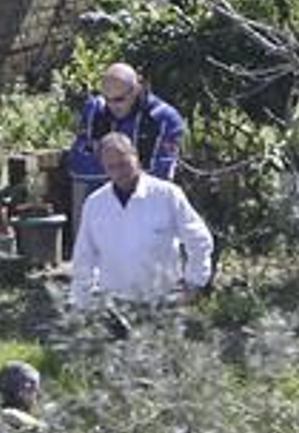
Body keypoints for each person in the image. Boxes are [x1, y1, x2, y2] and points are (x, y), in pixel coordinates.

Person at [69, 132, 214, 309]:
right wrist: (81, 301)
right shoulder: (95, 204)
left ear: (135, 157)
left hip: (165, 301)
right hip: (114, 305)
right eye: (111, 167)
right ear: (104, 168)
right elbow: (84, 256)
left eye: (123, 164)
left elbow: (198, 239)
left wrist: (194, 283)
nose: (119, 172)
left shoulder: (166, 195)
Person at [66, 62, 186, 231]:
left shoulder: (164, 118)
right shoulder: (95, 109)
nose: (112, 106)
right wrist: (128, 166)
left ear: (136, 89)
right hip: (101, 201)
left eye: (119, 99)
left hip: (145, 206)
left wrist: (102, 159)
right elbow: (77, 166)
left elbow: (159, 176)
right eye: (107, 99)